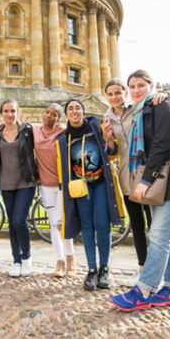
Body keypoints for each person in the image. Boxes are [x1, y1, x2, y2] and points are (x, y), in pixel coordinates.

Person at [111, 70, 170, 311]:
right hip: (163, 180)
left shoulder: (162, 106)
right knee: (165, 236)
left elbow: (161, 145)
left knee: (157, 235)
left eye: (141, 85)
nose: (136, 90)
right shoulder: (141, 111)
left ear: (151, 85)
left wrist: (145, 180)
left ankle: (144, 289)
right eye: (132, 86)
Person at [105, 78, 168, 287]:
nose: (115, 97)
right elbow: (112, 152)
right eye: (110, 94)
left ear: (125, 93)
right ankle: (142, 270)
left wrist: (162, 95)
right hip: (125, 175)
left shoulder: (140, 107)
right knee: (137, 225)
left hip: (144, 172)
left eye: (118, 92)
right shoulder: (106, 118)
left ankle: (157, 272)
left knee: (154, 224)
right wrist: (108, 139)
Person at [56, 99, 121, 290]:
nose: (75, 111)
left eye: (78, 108)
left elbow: (113, 152)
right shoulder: (63, 138)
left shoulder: (97, 127)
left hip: (100, 182)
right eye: (70, 109)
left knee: (102, 224)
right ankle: (92, 270)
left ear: (83, 111)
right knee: (87, 226)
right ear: (66, 114)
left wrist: (109, 138)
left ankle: (105, 269)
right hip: (80, 187)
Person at [0, 99, 39, 277]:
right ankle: (16, 260)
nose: (10, 114)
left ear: (18, 112)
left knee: (19, 220)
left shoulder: (28, 130)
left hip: (26, 182)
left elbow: (45, 138)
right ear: (1, 113)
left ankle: (26, 257)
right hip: (6, 183)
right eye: (6, 111)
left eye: (13, 111)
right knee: (12, 223)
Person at [32, 103, 75, 277]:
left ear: (59, 119)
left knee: (62, 222)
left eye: (54, 114)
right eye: (47, 112)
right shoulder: (34, 130)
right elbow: (11, 127)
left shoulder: (62, 131)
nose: (49, 116)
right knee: (53, 223)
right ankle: (60, 261)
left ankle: (70, 259)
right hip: (46, 185)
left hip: (62, 185)